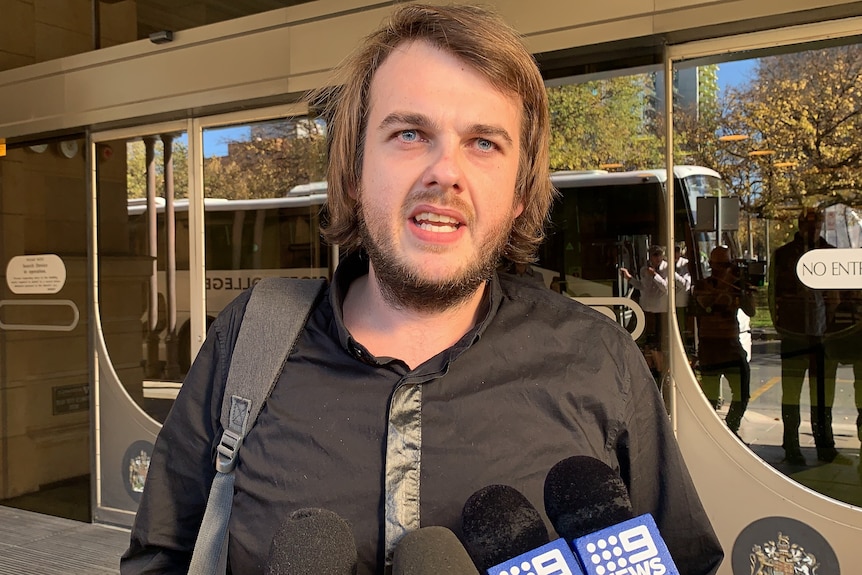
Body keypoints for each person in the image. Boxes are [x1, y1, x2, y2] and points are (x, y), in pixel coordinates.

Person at [120, 5, 723, 575]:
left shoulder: (598, 362)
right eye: (410, 134)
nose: (445, 172)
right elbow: (158, 559)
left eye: (484, 143)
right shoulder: (246, 341)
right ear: (354, 172)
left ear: (518, 196)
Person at [770, 208, 841, 465]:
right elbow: (773, 294)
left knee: (824, 394)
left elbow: (840, 296)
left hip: (824, 335)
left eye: (817, 224)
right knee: (791, 392)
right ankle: (791, 445)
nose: (812, 229)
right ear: (800, 225)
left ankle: (826, 446)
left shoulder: (831, 255)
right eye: (808, 224)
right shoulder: (784, 255)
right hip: (794, 334)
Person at [693, 246, 756, 437]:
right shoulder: (703, 285)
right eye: (719, 264)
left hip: (731, 345)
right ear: (711, 264)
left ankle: (731, 429)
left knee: (742, 391)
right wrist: (728, 281)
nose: (722, 268)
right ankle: (712, 434)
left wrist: (743, 289)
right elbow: (709, 304)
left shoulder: (736, 285)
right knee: (710, 398)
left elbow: (751, 311)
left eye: (726, 264)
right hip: (710, 346)